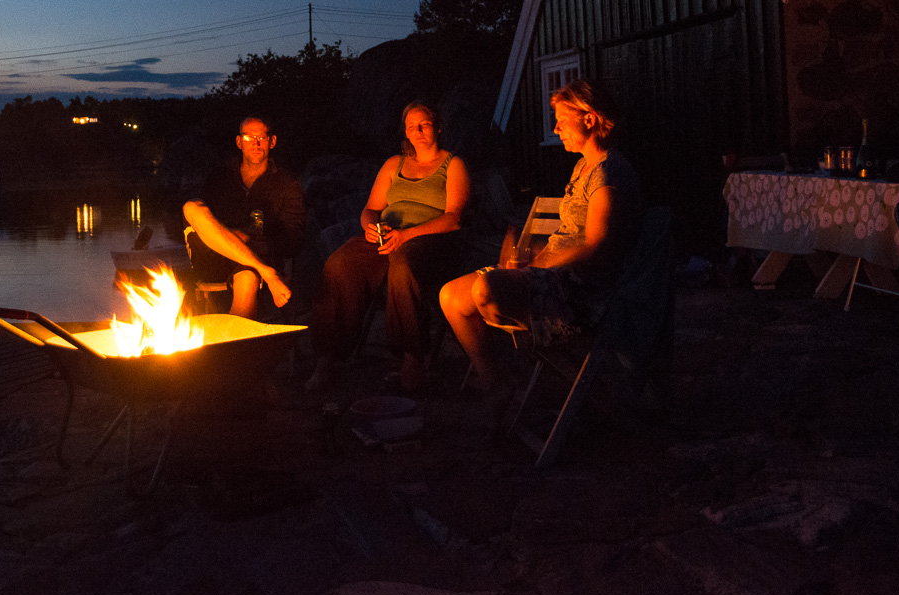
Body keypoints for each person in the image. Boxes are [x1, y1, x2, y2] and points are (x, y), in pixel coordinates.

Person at [440, 79, 641, 390]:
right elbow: (567, 235)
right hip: (552, 276)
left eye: (561, 120)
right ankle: (495, 385)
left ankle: (521, 371)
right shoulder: (582, 168)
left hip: (580, 290)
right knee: (451, 296)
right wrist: (531, 258)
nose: (556, 128)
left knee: (487, 289)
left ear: (588, 119)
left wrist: (539, 268)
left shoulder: (609, 172)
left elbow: (596, 246)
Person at [307, 102, 470, 392]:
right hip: (387, 237)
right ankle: (328, 358)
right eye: (411, 126)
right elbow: (371, 209)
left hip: (428, 242)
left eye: (424, 124)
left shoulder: (452, 165)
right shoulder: (394, 164)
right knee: (341, 263)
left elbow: (453, 219)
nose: (417, 131)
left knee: (404, 264)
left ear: (438, 127)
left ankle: (411, 359)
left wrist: (407, 236)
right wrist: (371, 227)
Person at [182, 116, 304, 317]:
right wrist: (232, 235)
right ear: (239, 142)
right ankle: (265, 271)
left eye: (261, 138)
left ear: (271, 142)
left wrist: (254, 238)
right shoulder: (219, 177)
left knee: (248, 277)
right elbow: (204, 225)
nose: (255, 143)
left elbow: (295, 238)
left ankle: (235, 346)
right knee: (191, 207)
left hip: (258, 257)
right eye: (248, 138)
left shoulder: (287, 184)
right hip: (216, 257)